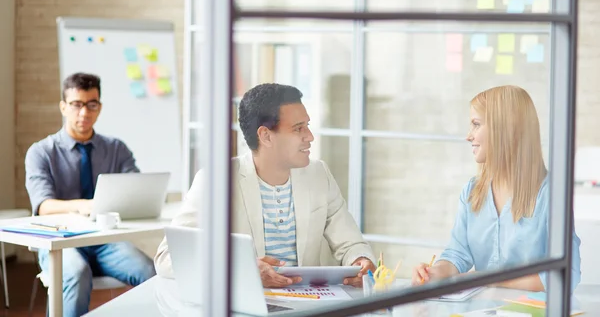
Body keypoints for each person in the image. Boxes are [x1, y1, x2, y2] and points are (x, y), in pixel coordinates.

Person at [155, 83, 376, 287]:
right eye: (298, 128)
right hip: (248, 304)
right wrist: (239, 270)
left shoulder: (319, 174)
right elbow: (167, 256)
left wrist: (361, 260)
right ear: (266, 136)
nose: (309, 137)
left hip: (312, 303)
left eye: (307, 126)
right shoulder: (216, 180)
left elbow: (351, 243)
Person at [411, 85, 581, 292]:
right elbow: (457, 255)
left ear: (504, 130)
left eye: (476, 125)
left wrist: (491, 280)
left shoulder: (550, 195)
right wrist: (434, 273)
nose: (468, 136)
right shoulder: (472, 192)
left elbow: (565, 275)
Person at [25, 72, 156, 317]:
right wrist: (83, 205)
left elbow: (136, 188)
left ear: (100, 107)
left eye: (91, 105)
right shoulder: (41, 152)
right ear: (63, 107)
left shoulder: (116, 149)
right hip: (61, 242)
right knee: (75, 273)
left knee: (151, 271)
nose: (84, 113)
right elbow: (43, 205)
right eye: (76, 104)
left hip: (105, 240)